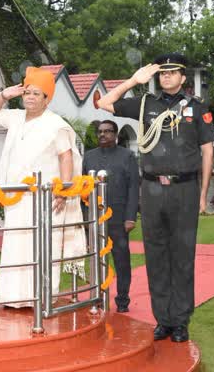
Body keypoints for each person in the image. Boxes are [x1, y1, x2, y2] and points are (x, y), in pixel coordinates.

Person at [96, 53, 214, 344]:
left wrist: (203, 194)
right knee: (156, 256)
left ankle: (181, 321)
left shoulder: (197, 108)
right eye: (162, 73)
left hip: (184, 189)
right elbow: (103, 102)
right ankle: (163, 319)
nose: (166, 77)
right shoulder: (145, 104)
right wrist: (133, 81)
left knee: (183, 256)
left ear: (183, 77)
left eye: (172, 72)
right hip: (151, 190)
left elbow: (208, 151)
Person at [0, 67, 86, 307]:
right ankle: (13, 299)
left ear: (46, 99)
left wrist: (62, 190)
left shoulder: (56, 124)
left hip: (44, 198)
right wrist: (5, 95)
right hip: (17, 199)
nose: (30, 97)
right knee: (15, 246)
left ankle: (41, 298)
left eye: (36, 94)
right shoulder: (16, 117)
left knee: (42, 247)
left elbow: (66, 157)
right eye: (27, 92)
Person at [82, 120, 139, 313]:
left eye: (107, 131)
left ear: (115, 134)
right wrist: (85, 219)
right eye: (100, 131)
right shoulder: (89, 157)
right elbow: (83, 189)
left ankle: (122, 300)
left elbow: (133, 188)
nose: (102, 135)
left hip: (119, 217)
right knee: (96, 260)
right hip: (95, 218)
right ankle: (96, 297)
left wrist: (130, 217)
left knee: (121, 260)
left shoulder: (128, 156)